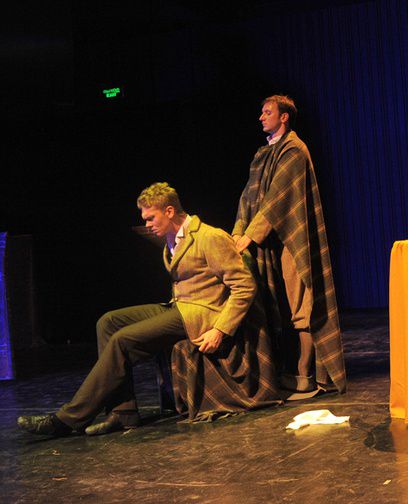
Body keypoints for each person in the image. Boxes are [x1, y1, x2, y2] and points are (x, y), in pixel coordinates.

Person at [18, 182, 273, 436]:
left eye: (151, 218)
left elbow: (244, 286)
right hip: (179, 306)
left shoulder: (210, 237)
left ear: (170, 211)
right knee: (107, 322)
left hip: (202, 312)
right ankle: (122, 412)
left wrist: (221, 329)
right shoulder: (173, 237)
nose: (148, 224)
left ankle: (68, 419)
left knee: (122, 341)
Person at [233, 95, 346, 398]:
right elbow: (248, 197)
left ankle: (305, 373)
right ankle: (281, 370)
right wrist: (238, 231)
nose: (261, 117)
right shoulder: (262, 154)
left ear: (284, 117)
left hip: (291, 239)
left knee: (301, 306)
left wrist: (250, 235)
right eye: (261, 112)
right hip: (267, 241)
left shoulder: (294, 150)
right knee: (277, 307)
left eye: (267, 112)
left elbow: (278, 197)